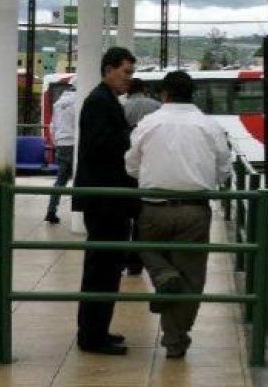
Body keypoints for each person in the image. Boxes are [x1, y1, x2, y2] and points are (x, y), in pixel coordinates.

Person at [125, 70, 232, 359]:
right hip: (194, 211)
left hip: (153, 208)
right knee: (191, 278)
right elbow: (224, 169)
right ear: (192, 93)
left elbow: (131, 166)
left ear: (164, 94)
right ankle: (175, 341)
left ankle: (162, 273)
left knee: (146, 247)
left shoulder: (148, 123)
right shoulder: (209, 125)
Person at [72, 47, 139, 356]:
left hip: (108, 200)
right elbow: (102, 146)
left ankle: (98, 330)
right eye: (125, 72)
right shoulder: (99, 102)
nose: (129, 79)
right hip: (104, 200)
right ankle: (91, 335)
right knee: (102, 268)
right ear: (109, 69)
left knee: (109, 268)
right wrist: (131, 140)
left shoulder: (106, 100)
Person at [44, 82, 77, 224]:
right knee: (80, 180)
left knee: (60, 181)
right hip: (75, 143)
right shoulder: (79, 101)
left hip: (62, 143)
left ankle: (51, 211)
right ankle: (80, 216)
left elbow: (52, 126)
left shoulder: (58, 103)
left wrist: (56, 141)